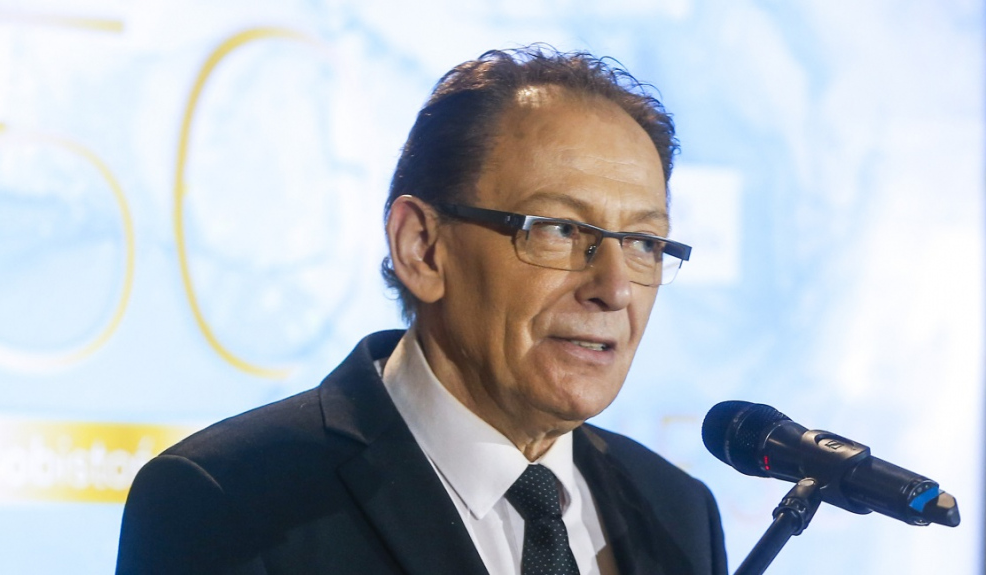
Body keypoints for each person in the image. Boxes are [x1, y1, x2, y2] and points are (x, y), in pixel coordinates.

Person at [116, 45, 728, 575]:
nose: (614, 288)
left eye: (644, 243)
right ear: (422, 248)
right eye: (560, 230)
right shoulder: (230, 500)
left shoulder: (678, 512)